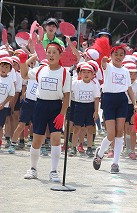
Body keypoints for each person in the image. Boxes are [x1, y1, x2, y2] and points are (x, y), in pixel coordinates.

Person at [20, 42, 70, 182]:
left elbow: (67, 95)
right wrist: (23, 60)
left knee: (55, 139)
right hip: (40, 106)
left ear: (60, 55)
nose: (51, 55)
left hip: (56, 107)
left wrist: (62, 114)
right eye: (49, 52)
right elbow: (24, 74)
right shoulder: (40, 69)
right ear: (46, 54)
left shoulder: (65, 72)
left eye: (55, 52)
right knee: (37, 140)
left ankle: (54, 171)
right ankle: (33, 169)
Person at [93, 44, 137, 174]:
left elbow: (129, 88)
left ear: (124, 56)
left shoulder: (125, 71)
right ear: (111, 56)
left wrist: (134, 104)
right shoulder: (108, 67)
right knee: (111, 134)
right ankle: (100, 154)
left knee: (120, 133)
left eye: (121, 54)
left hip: (122, 100)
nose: (118, 57)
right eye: (116, 54)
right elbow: (103, 64)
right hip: (108, 100)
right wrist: (103, 60)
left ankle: (115, 163)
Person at [69, 63, 100, 157]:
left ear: (92, 74)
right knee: (77, 127)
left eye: (88, 72)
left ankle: (89, 147)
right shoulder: (75, 83)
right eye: (84, 72)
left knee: (90, 128)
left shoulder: (94, 85)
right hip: (79, 106)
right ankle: (73, 147)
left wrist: (96, 111)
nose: (86, 74)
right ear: (80, 74)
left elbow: (96, 98)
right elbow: (68, 91)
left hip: (90, 107)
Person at [0, 57, 15, 148]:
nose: (4, 69)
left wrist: (3, 103)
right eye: (2, 66)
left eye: (6, 67)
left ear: (10, 70)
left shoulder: (10, 80)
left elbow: (11, 94)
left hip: (3, 107)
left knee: (0, 126)